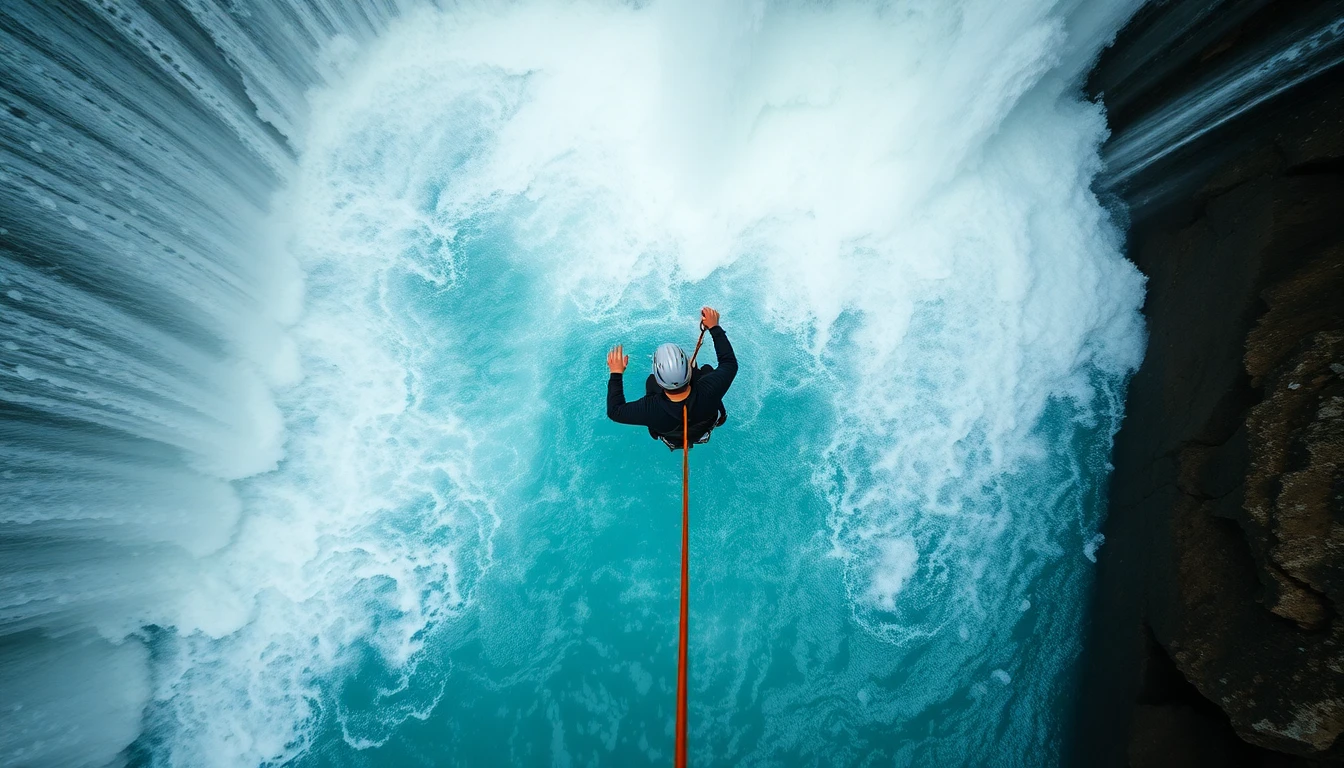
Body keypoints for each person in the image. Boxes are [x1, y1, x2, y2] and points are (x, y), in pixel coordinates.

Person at [606, 306, 738, 448]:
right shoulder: (710, 389)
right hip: (705, 421)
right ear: (688, 370)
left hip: (672, 436)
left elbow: (615, 411)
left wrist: (616, 373)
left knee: (650, 384)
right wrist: (714, 327)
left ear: (659, 379)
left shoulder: (650, 409)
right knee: (706, 369)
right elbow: (729, 363)